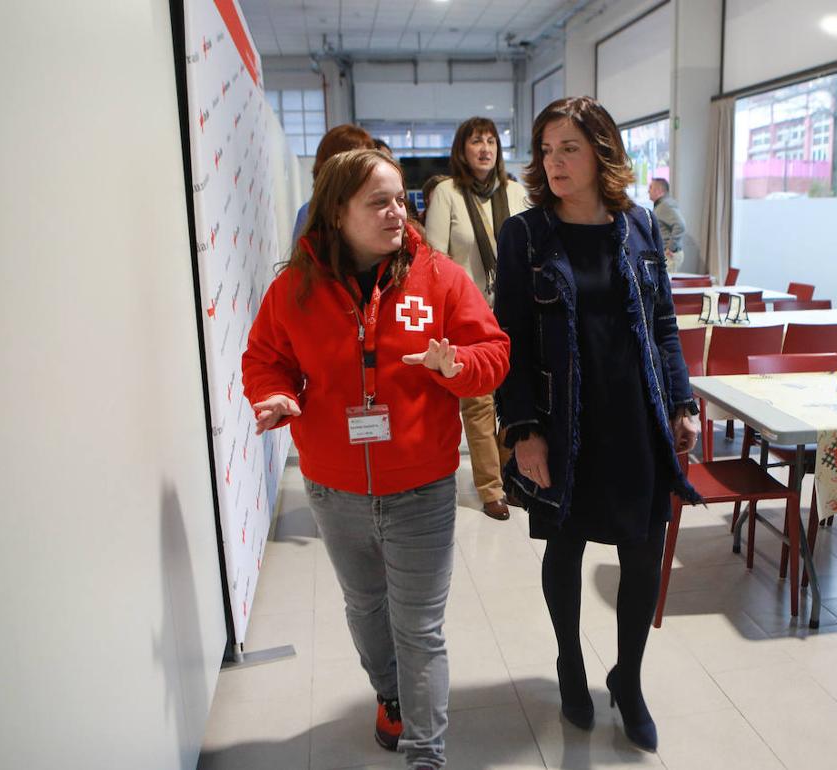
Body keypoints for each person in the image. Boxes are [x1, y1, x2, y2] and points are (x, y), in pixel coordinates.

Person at [243, 148, 510, 770]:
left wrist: (458, 365)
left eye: (402, 199)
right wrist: (272, 394)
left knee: (419, 630)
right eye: (380, 202)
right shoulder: (294, 289)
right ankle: (390, 697)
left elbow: (493, 352)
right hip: (334, 492)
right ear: (336, 212)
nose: (400, 213)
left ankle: (425, 755)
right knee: (366, 613)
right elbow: (265, 358)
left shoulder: (440, 277)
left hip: (421, 488)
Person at [493, 97, 701, 752]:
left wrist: (680, 401)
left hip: (635, 418)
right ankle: (570, 666)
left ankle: (628, 678)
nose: (554, 162)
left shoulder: (637, 225)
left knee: (642, 555)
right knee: (567, 545)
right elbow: (510, 342)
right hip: (563, 421)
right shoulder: (526, 235)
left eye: (569, 148)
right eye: (546, 149)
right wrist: (523, 429)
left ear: (602, 152)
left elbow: (663, 323)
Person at [424, 117, 529, 521]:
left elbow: (530, 252)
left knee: (513, 398)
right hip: (467, 318)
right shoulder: (447, 194)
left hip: (514, 313)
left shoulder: (517, 193)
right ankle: (490, 488)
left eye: (490, 141)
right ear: (462, 149)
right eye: (475, 141)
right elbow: (435, 259)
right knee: (479, 404)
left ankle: (509, 472)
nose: (484, 148)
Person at [292, 123, 375, 244]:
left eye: (367, 161)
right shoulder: (310, 214)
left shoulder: (378, 209)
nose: (365, 170)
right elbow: (300, 260)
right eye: (356, 163)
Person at [647, 177, 686, 273]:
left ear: (659, 190)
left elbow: (680, 225)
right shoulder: (662, 205)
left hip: (669, 255)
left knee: (665, 286)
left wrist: (671, 247)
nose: (648, 191)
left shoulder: (665, 205)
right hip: (665, 254)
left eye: (651, 187)